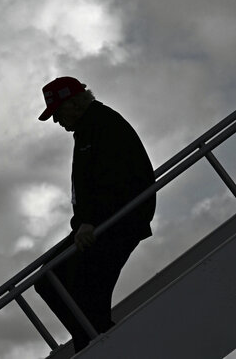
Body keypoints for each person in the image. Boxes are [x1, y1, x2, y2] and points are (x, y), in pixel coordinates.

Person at [33, 76, 156, 353]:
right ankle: (95, 340)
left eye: (58, 113)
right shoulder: (93, 126)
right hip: (110, 221)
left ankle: (94, 342)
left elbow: (110, 177)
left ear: (74, 104)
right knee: (72, 286)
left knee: (53, 281)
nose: (56, 122)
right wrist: (85, 222)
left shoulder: (102, 125)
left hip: (116, 222)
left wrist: (89, 221)